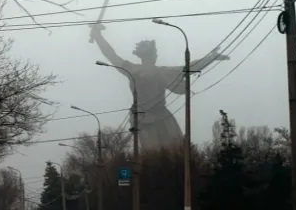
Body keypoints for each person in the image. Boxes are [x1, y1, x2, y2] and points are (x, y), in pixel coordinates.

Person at [89, 23, 230, 151]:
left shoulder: (131, 69)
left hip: (153, 117)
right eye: (155, 53)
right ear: (151, 55)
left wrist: (98, 36)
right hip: (149, 119)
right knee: (172, 151)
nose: (156, 55)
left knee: (169, 151)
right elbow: (189, 67)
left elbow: (110, 54)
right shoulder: (158, 71)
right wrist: (211, 58)